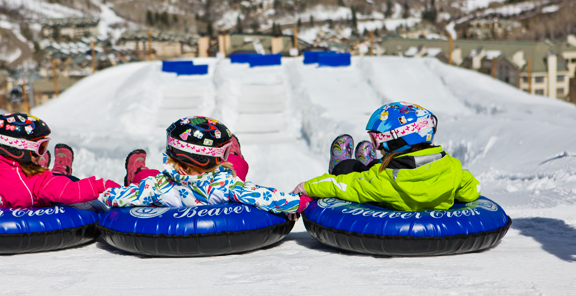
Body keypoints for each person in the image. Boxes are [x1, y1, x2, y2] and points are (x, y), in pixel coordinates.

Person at [100, 116, 311, 216]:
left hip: (159, 180)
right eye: (224, 152)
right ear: (204, 158)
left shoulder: (156, 186)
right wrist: (301, 201)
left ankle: (137, 172)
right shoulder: (224, 184)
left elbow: (114, 197)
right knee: (236, 167)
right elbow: (264, 196)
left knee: (148, 177)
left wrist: (106, 188)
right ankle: (237, 155)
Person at [293, 102, 481, 211]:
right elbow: (472, 190)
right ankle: (368, 162)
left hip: (376, 183)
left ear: (397, 140)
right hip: (411, 171)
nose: (379, 147)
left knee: (352, 171)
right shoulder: (454, 169)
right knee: (376, 165)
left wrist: (306, 187)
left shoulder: (384, 182)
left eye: (377, 141)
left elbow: (344, 186)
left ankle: (340, 164)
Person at [0, 113, 120, 208]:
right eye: (40, 148)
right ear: (17, 150)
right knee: (59, 178)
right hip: (50, 187)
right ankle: (61, 169)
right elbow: (69, 191)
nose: (42, 153)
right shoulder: (37, 182)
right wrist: (102, 185)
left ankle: (40, 166)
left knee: (45, 172)